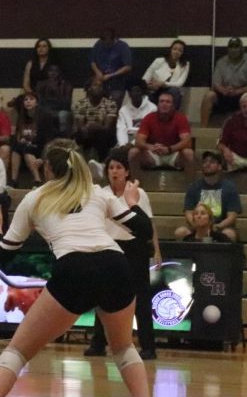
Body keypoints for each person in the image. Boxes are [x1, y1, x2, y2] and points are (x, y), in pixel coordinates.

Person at [0, 139, 152, 397]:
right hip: (115, 264)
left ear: (46, 167)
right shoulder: (96, 192)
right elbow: (144, 230)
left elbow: (4, 253)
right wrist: (132, 202)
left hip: (74, 268)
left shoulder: (35, 198)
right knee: (124, 349)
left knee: (16, 352)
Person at [84, 148, 161, 361]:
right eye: (111, 168)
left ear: (127, 172)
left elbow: (149, 224)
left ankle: (148, 346)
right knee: (103, 296)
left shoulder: (137, 192)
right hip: (109, 248)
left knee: (141, 298)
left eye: (118, 167)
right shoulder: (101, 194)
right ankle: (98, 344)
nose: (114, 171)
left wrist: (157, 250)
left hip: (134, 249)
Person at [128, 89, 195, 181]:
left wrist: (169, 149)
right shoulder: (149, 118)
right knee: (133, 152)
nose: (164, 104)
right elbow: (138, 141)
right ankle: (135, 185)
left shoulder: (181, 118)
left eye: (168, 102)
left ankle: (190, 187)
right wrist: (151, 147)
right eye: (161, 101)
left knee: (189, 153)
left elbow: (187, 142)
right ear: (158, 104)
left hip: (174, 153)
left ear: (173, 105)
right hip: (153, 154)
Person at [175, 150, 241, 241]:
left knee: (229, 234)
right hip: (197, 227)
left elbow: (232, 216)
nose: (207, 164)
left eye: (212, 162)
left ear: (219, 167)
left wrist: (217, 227)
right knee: (180, 232)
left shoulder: (229, 188)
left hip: (220, 228)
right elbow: (188, 212)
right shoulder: (193, 187)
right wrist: (198, 226)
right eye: (205, 162)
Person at [201, 37, 247, 127]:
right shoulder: (221, 62)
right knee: (209, 95)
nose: (233, 49)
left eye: (236, 47)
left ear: (242, 48)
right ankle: (203, 130)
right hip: (225, 93)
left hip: (243, 94)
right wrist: (223, 90)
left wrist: (238, 91)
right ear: (228, 49)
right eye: (231, 47)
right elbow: (216, 83)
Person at [7, 92, 56, 187]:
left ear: (37, 103)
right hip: (25, 146)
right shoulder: (22, 117)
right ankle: (13, 180)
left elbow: (49, 140)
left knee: (26, 149)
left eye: (31, 99)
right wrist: (19, 140)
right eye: (26, 100)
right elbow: (18, 135)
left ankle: (37, 180)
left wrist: (43, 157)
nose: (28, 102)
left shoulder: (45, 117)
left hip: (40, 147)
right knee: (16, 148)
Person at [73, 78, 118, 163]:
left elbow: (107, 127)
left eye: (100, 86)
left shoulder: (110, 104)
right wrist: (88, 128)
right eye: (95, 85)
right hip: (87, 133)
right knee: (80, 133)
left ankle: (101, 163)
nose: (98, 88)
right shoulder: (81, 103)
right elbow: (80, 125)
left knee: (102, 135)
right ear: (89, 88)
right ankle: (83, 163)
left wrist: (94, 126)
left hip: (104, 134)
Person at [90, 28, 133, 106]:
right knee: (93, 94)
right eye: (103, 43)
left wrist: (110, 75)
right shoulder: (98, 44)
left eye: (107, 44)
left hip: (117, 82)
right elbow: (92, 61)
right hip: (101, 79)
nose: (105, 45)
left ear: (113, 40)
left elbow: (128, 67)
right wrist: (97, 71)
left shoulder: (123, 46)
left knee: (115, 100)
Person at [142, 40, 189, 110]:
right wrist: (149, 85)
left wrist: (163, 84)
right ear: (170, 49)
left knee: (174, 91)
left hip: (170, 90)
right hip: (154, 89)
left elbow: (179, 83)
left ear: (183, 53)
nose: (176, 52)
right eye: (174, 49)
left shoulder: (185, 65)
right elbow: (145, 78)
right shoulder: (159, 61)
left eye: (180, 50)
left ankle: (173, 117)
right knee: (145, 93)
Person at [35, 64, 73, 136]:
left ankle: (63, 140)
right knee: (43, 115)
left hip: (61, 111)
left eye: (56, 71)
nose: (53, 73)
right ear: (47, 72)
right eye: (51, 70)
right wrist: (49, 111)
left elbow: (67, 104)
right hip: (45, 111)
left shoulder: (66, 85)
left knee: (63, 115)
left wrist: (60, 90)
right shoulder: (41, 84)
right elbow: (39, 103)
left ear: (60, 73)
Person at [116, 82, 157, 147]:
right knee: (114, 153)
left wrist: (133, 144)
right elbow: (121, 129)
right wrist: (123, 145)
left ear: (142, 92)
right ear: (129, 94)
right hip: (127, 141)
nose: (136, 94)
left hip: (145, 141)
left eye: (138, 91)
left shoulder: (152, 108)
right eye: (133, 91)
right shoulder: (123, 110)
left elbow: (151, 131)